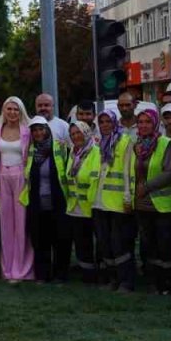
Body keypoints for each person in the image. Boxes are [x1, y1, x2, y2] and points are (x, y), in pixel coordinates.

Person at [128, 110, 171, 295]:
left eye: (147, 122)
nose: (143, 125)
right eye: (140, 122)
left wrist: (148, 186)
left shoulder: (166, 144)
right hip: (142, 205)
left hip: (163, 204)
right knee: (149, 245)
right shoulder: (137, 146)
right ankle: (155, 281)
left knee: (166, 245)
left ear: (156, 124)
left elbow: (170, 172)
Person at [22, 117, 71, 283]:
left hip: (58, 200)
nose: (38, 133)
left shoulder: (60, 147)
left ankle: (60, 274)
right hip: (37, 202)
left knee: (60, 239)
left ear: (47, 130)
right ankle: (42, 274)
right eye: (34, 130)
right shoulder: (30, 150)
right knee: (40, 240)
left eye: (41, 129)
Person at [0, 97, 34, 282]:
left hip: (21, 178)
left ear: (21, 111)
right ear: (4, 110)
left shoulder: (27, 132)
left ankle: (22, 268)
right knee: (6, 225)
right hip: (2, 177)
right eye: (8, 109)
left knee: (21, 224)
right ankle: (7, 268)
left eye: (16, 109)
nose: (12, 112)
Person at [93, 109, 130, 288]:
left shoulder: (124, 142)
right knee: (104, 243)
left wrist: (127, 197)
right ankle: (112, 278)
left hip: (117, 202)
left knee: (119, 244)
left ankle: (125, 280)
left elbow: (127, 171)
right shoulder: (99, 143)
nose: (105, 125)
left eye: (108, 121)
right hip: (99, 201)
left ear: (115, 123)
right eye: (102, 122)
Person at [63, 121, 100, 283]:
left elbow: (95, 179)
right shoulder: (72, 153)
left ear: (86, 133)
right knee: (81, 243)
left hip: (91, 206)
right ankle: (86, 274)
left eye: (79, 133)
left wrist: (92, 202)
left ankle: (100, 272)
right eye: (72, 134)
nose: (76, 137)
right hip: (74, 206)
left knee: (97, 242)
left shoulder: (95, 152)